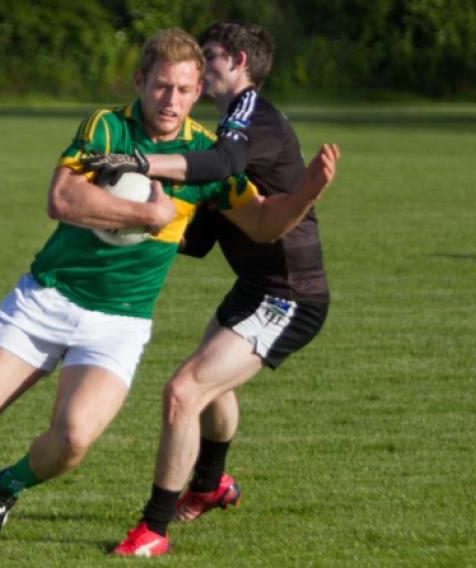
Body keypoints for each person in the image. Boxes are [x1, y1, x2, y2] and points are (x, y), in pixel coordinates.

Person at [0, 27, 338, 554]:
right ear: (139, 81)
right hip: (48, 297)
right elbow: (62, 199)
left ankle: (7, 486)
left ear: (198, 91)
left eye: (182, 89)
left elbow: (264, 224)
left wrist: (306, 193)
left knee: (72, 444)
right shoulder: (108, 128)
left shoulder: (202, 153)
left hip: (120, 321)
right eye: (159, 86)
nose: (170, 100)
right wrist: (148, 214)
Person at [84, 22, 337, 557]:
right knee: (208, 387)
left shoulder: (248, 113)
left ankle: (153, 530)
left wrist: (140, 164)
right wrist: (134, 223)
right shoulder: (227, 124)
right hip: (256, 286)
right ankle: (212, 485)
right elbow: (200, 233)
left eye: (210, 55)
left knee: (184, 391)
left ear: (238, 61)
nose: (200, 63)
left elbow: (223, 166)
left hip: (289, 294)